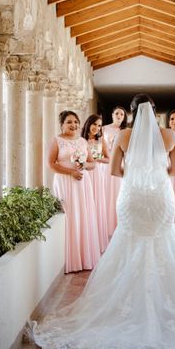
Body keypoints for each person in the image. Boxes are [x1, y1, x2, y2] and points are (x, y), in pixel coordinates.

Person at [31, 95, 175, 349]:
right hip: (159, 197)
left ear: (132, 113)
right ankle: (165, 306)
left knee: (128, 242)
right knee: (163, 242)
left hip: (132, 197)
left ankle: (125, 307)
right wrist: (155, 175)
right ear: (155, 112)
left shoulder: (123, 137)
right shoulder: (169, 135)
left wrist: (137, 175)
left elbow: (115, 172)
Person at [47, 110, 101, 273]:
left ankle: (85, 258)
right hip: (65, 182)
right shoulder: (56, 140)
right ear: (62, 124)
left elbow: (93, 164)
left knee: (83, 216)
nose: (74, 125)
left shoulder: (83, 141)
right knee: (69, 217)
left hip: (83, 183)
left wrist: (83, 165)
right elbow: (51, 164)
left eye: (76, 122)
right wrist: (70, 172)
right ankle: (69, 259)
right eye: (69, 122)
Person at [81, 114, 110, 253]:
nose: (97, 128)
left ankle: (97, 240)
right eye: (95, 124)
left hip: (96, 174)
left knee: (96, 203)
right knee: (85, 203)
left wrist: (96, 160)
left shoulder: (101, 141)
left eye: (99, 126)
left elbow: (109, 159)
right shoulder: (80, 140)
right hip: (84, 173)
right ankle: (86, 239)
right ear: (89, 123)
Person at [101, 105, 127, 237]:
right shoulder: (104, 129)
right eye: (117, 113)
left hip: (120, 163)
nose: (119, 116)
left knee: (118, 193)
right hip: (106, 165)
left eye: (122, 114)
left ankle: (119, 224)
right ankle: (106, 226)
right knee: (106, 194)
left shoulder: (125, 131)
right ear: (112, 115)